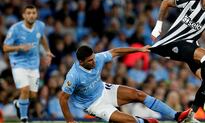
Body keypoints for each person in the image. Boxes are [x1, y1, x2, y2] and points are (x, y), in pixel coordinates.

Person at [59, 45, 192, 123]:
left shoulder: (97, 58)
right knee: (129, 121)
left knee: (138, 94)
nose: (94, 62)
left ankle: (177, 116)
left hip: (104, 90)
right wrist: (70, 121)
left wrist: (139, 50)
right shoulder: (73, 75)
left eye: (93, 58)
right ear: (81, 62)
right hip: (93, 105)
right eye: (90, 61)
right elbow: (63, 98)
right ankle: (144, 122)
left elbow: (115, 51)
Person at [3, 5, 54, 123]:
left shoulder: (40, 26)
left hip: (33, 65)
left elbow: (41, 38)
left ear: (36, 15)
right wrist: (20, 47)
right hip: (18, 63)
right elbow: (5, 48)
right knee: (25, 90)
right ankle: (24, 118)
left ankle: (18, 103)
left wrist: (47, 52)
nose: (31, 15)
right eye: (29, 13)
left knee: (32, 95)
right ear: (24, 15)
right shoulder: (15, 29)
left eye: (34, 13)